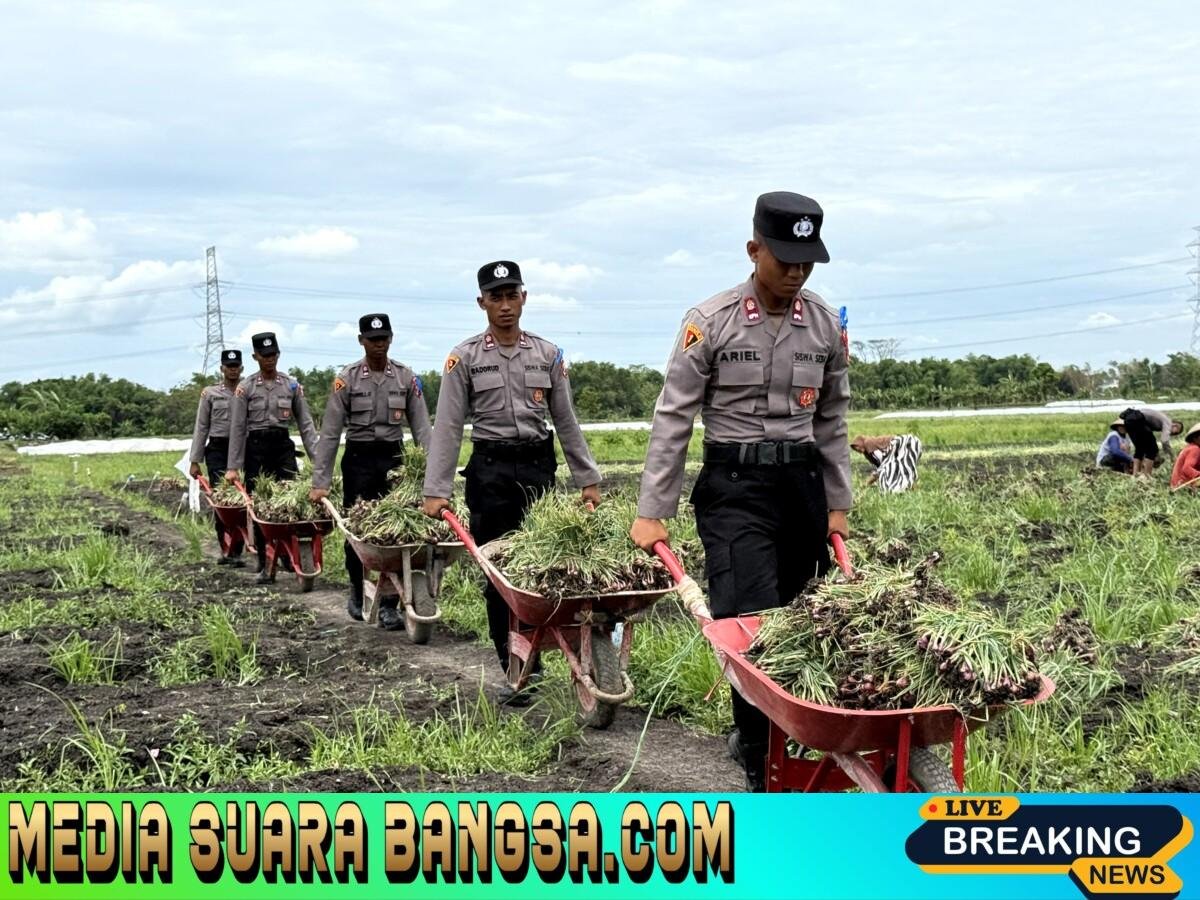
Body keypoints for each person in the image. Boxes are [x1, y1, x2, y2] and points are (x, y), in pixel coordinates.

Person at [629, 191, 851, 791]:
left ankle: (800, 735)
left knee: (804, 617)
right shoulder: (711, 321)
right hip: (734, 486)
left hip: (801, 485)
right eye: (784, 260)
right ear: (754, 250)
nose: (796, 272)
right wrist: (654, 511)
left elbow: (832, 419)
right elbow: (673, 416)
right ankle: (758, 751)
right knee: (751, 616)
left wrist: (838, 505)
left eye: (807, 262)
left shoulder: (826, 324)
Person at [422, 261, 602, 704]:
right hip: (491, 473)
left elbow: (566, 421)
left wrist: (588, 479)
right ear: (481, 302)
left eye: (511, 295)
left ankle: (549, 649)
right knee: (499, 574)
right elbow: (447, 427)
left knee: (543, 569)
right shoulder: (464, 358)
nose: (504, 305)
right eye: (495, 297)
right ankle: (516, 667)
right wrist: (436, 489)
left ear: (524, 298)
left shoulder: (548, 355)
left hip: (538, 471)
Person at [310, 314, 433, 627]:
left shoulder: (406, 378)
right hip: (358, 459)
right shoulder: (347, 379)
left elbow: (422, 429)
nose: (378, 345)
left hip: (394, 461)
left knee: (395, 531)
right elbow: (330, 433)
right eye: (372, 340)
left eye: (383, 339)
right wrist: (320, 481)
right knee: (357, 529)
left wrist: (432, 476)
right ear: (361, 341)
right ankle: (356, 588)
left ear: (391, 339)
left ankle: (390, 603)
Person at [225, 332, 320, 583]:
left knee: (290, 498)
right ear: (255, 356)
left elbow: (306, 425)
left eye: (273, 355)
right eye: (264, 356)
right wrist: (233, 466)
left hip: (282, 447)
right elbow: (236, 428)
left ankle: (289, 554)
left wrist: (318, 461)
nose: (270, 359)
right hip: (255, 448)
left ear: (278, 355)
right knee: (258, 503)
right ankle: (263, 559)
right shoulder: (245, 388)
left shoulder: (290, 385)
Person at [188, 349, 247, 566]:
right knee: (222, 500)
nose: (232, 371)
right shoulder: (210, 394)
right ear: (222, 369)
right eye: (228, 367)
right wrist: (194, 461)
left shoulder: (248, 390)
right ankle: (226, 547)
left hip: (244, 447)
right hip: (218, 449)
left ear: (241, 368)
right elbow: (201, 427)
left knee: (245, 498)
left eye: (236, 367)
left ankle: (242, 545)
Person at [1119, 407, 1183, 476]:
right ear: (1175, 426)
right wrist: (1172, 457)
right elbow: (1164, 441)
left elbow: (1147, 435)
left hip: (1128, 420)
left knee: (1140, 449)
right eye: (1176, 432)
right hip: (1138, 419)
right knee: (1152, 449)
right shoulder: (1168, 422)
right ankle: (1147, 476)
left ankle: (1135, 474)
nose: (1173, 434)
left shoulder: (1159, 420)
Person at [850, 433, 923, 493]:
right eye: (856, 450)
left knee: (902, 469)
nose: (858, 450)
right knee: (905, 470)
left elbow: (882, 464)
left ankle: (913, 489)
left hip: (902, 444)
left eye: (857, 447)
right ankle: (914, 490)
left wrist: (867, 483)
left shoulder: (868, 443)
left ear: (860, 443)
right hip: (901, 446)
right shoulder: (867, 453)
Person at [1170, 423, 1200, 490]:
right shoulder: (1195, 449)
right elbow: (1187, 469)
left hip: (1177, 485)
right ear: (1195, 438)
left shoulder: (1190, 447)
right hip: (1181, 486)